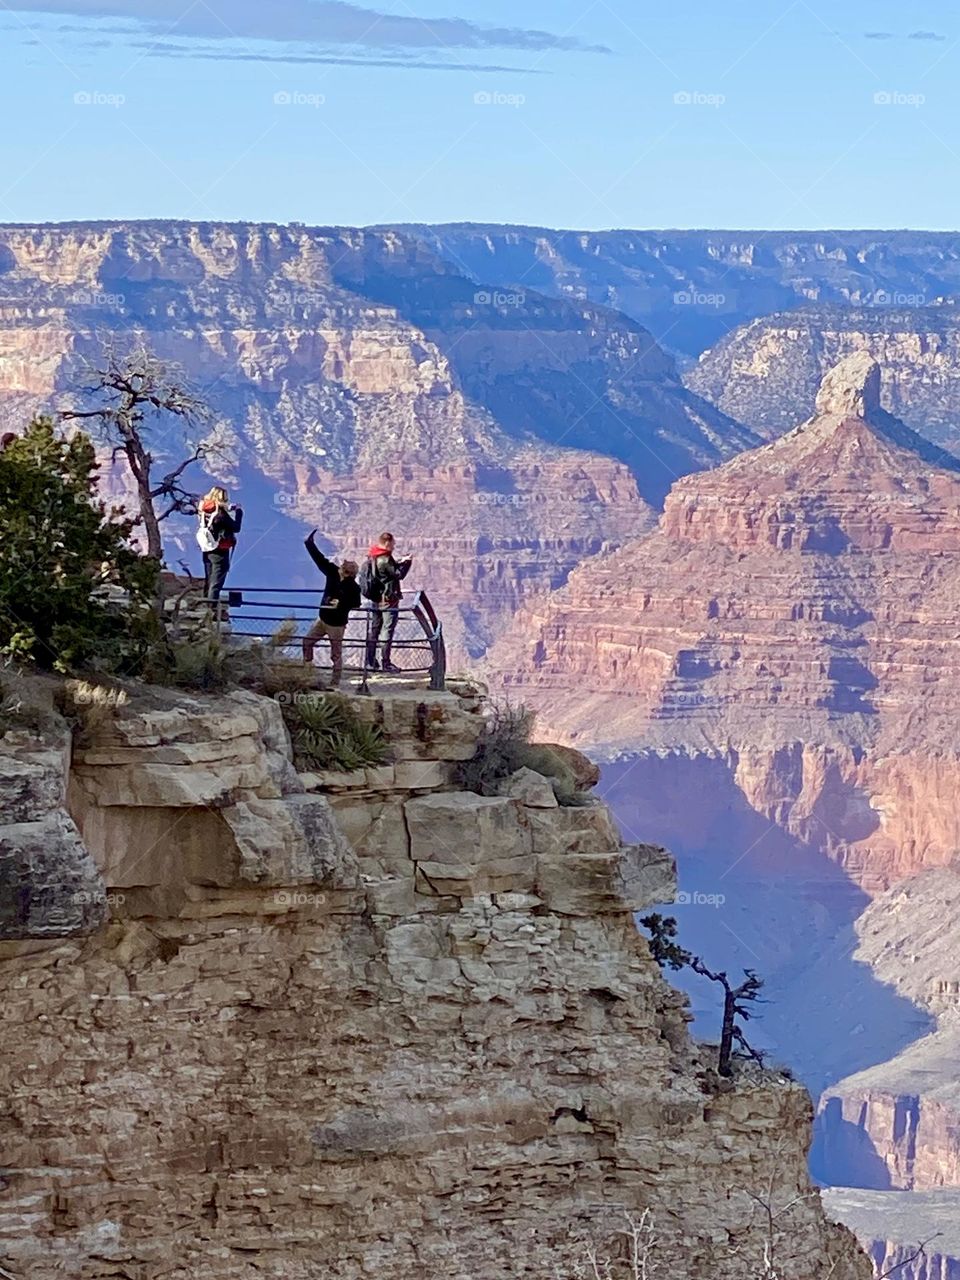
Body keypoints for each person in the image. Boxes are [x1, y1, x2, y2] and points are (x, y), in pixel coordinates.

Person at [302, 529, 361, 686]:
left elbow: (356, 604)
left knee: (336, 653)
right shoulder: (333, 573)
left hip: (337, 624)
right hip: (322, 619)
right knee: (307, 642)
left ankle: (335, 681)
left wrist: (341, 604)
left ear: (347, 573)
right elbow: (319, 560)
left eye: (343, 567)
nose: (340, 567)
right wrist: (309, 544)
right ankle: (307, 671)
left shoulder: (354, 588)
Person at [363, 531, 412, 673]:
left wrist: (399, 562)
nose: (394, 546)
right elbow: (398, 575)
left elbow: (386, 570)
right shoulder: (385, 558)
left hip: (376, 599)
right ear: (387, 543)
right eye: (393, 544)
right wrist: (408, 563)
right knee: (387, 631)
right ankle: (386, 663)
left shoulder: (373, 555)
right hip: (388, 600)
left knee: (374, 630)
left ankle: (370, 660)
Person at [197, 485, 243, 604]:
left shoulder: (204, 512)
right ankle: (211, 609)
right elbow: (236, 527)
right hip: (219, 550)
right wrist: (239, 511)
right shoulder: (221, 515)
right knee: (216, 581)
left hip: (207, 549)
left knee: (209, 577)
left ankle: (205, 602)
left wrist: (227, 508)